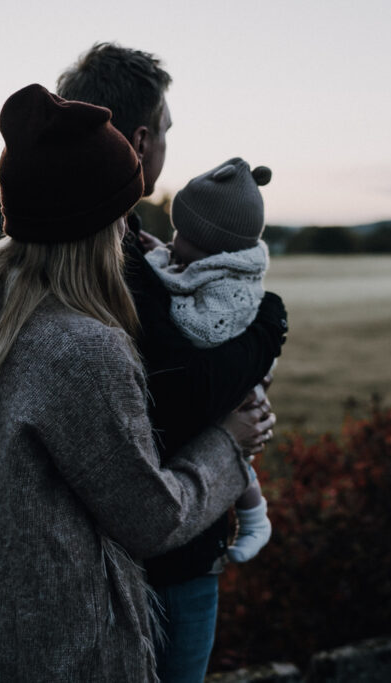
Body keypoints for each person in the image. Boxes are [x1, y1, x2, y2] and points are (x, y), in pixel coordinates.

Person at [0, 83, 274, 682]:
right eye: (122, 212)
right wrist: (229, 445)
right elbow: (150, 518)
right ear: (99, 222)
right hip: (64, 650)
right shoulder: (81, 348)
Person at [57, 44, 288, 681]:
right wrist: (271, 324)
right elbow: (187, 390)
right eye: (164, 131)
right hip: (168, 551)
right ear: (139, 140)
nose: (166, 146)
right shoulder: (112, 256)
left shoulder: (114, 242)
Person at [144, 157, 279, 564]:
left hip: (235, 370)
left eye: (181, 233)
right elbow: (178, 266)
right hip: (228, 364)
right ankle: (253, 515)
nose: (173, 240)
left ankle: (255, 518)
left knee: (235, 439)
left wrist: (155, 278)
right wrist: (161, 256)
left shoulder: (231, 286)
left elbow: (202, 330)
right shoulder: (208, 262)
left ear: (208, 244)